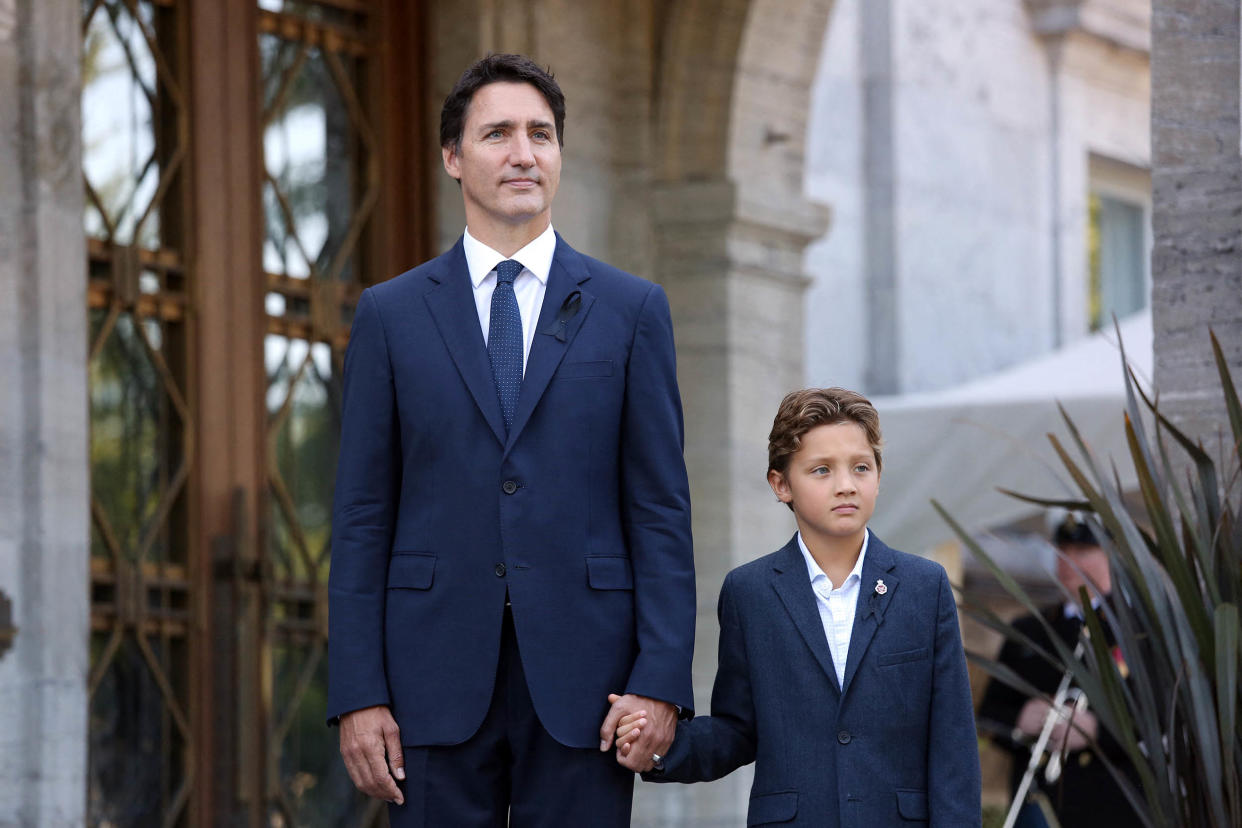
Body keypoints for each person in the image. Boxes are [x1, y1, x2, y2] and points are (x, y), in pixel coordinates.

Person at [326, 53, 696, 827]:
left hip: (588, 691)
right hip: (427, 687)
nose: (524, 153)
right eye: (497, 134)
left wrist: (661, 678)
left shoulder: (631, 312)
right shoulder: (391, 316)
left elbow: (659, 510)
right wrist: (358, 692)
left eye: (542, 134)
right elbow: (363, 516)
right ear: (453, 158)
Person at [615, 388, 981, 826]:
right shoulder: (748, 593)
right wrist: (659, 746)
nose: (846, 484)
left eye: (861, 467)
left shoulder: (926, 587)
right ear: (781, 484)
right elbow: (737, 731)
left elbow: (953, 744)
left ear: (878, 476)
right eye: (822, 470)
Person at [977, 515, 1140, 827]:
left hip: (1113, 805)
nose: (1069, 561)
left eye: (1082, 551)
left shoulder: (1139, 632)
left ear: (1110, 554)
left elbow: (1163, 723)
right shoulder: (1028, 630)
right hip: (1040, 801)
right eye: (1063, 550)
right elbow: (989, 714)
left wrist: (1096, 730)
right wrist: (1021, 718)